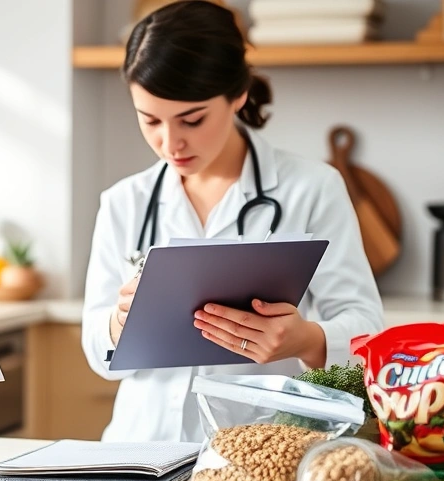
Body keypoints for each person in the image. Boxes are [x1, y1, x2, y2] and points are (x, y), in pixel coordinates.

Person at [80, 0, 384, 443]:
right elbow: (96, 352)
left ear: (237, 95)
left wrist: (306, 340)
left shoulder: (312, 188)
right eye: (150, 121)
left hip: (259, 453)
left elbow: (369, 330)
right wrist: (118, 323)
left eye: (192, 119)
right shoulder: (125, 201)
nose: (170, 143)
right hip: (138, 451)